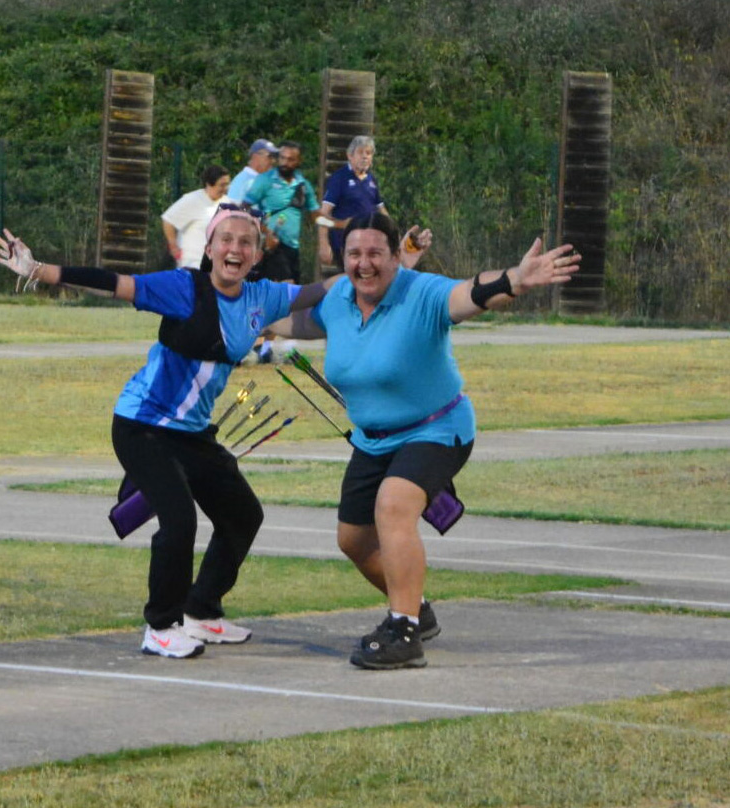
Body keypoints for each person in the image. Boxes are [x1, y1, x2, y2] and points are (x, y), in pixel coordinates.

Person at [0, 205, 336, 660]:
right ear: (209, 248)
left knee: (242, 515)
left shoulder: (262, 297)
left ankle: (201, 611)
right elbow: (114, 283)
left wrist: (391, 270)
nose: (235, 248)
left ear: (257, 254)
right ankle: (160, 626)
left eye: (245, 242)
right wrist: (39, 270)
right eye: (226, 240)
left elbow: (322, 291)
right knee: (179, 520)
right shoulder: (183, 288)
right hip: (144, 426)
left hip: (193, 434)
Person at [271, 213, 581, 670]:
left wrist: (514, 279)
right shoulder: (338, 299)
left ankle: (403, 631)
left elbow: (469, 294)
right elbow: (297, 324)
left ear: (396, 256)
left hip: (436, 429)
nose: (364, 263)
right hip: (373, 440)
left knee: (393, 506)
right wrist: (245, 315)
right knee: (353, 540)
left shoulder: (421, 292)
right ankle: (416, 609)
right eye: (354, 254)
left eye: (375, 253)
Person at [244, 140, 321, 284]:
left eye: (290, 159)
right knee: (288, 285)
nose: (285, 163)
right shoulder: (265, 180)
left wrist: (337, 224)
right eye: (282, 158)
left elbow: (316, 216)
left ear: (299, 161)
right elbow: (244, 209)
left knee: (290, 291)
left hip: (293, 247)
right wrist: (265, 231)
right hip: (272, 244)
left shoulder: (303, 185)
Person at [317, 136, 388, 268]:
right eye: (360, 152)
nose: (365, 157)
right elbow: (323, 213)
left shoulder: (372, 180)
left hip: (369, 244)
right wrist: (323, 244)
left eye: (368, 153)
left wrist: (393, 232)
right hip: (346, 245)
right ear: (350, 155)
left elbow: (381, 210)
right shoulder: (339, 178)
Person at [161, 165, 232, 269]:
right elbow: (168, 220)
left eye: (227, 184)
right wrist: (173, 246)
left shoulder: (227, 202)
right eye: (222, 185)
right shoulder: (192, 200)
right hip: (192, 264)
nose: (225, 189)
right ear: (209, 184)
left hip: (215, 265)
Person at [227, 139, 278, 204]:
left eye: (274, 157)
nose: (273, 161)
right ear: (255, 156)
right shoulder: (242, 181)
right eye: (270, 156)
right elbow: (231, 208)